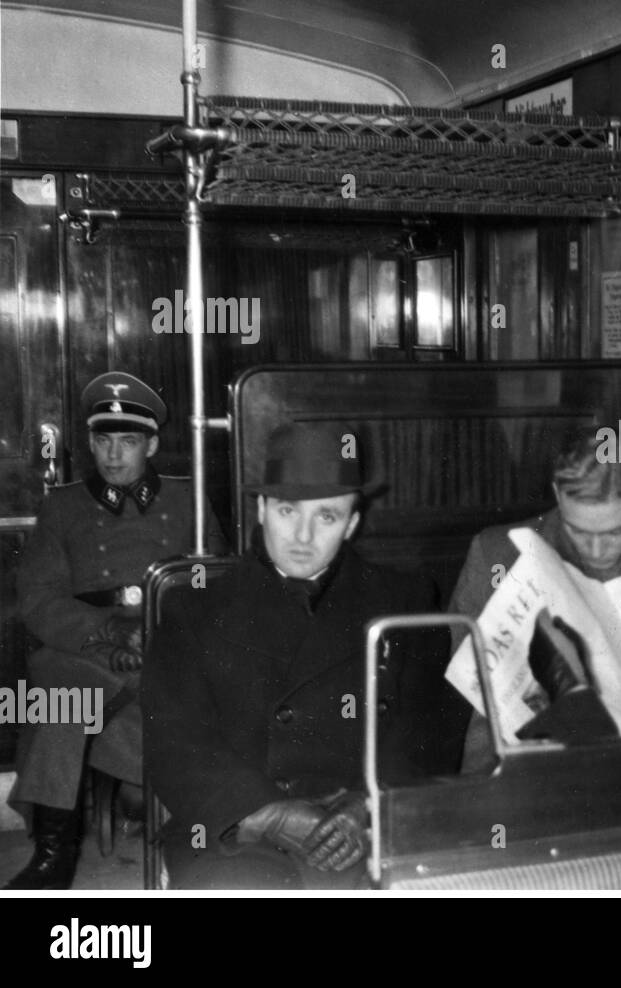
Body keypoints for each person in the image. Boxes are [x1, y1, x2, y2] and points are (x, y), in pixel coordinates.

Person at [142, 423, 469, 889]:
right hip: (235, 831)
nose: (302, 535)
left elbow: (430, 730)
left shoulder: (406, 599)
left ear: (353, 523)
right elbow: (174, 744)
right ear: (262, 510)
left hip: (365, 828)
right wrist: (269, 814)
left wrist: (368, 807)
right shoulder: (195, 608)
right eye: (288, 510)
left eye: (327, 517)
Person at [5, 372, 225, 890]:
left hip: (165, 644)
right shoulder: (62, 506)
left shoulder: (187, 499)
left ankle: (188, 838)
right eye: (103, 440)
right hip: (85, 651)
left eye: (127, 442)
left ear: (150, 443)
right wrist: (109, 633)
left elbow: (213, 580)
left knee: (186, 702)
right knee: (61, 698)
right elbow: (38, 600)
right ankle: (54, 853)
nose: (113, 455)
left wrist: (158, 632)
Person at [449, 426, 621, 768]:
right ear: (557, 495)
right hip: (527, 772)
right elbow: (461, 700)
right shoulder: (496, 554)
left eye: (616, 532)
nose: (597, 550)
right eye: (579, 531)